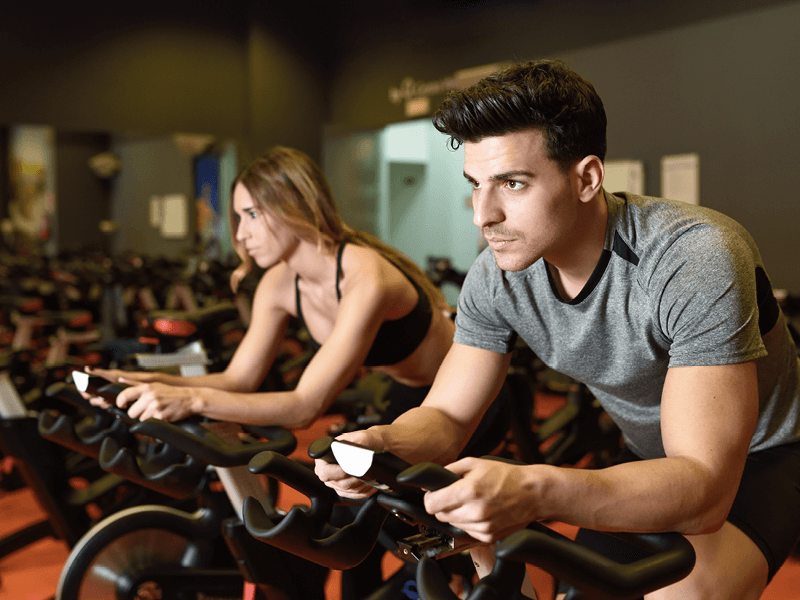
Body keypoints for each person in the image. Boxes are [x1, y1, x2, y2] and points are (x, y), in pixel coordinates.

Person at [316, 60, 800, 600]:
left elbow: (705, 489)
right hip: (657, 456)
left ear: (587, 178)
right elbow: (448, 416)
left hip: (770, 452)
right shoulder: (496, 277)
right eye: (476, 185)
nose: (483, 215)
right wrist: (385, 444)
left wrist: (534, 486)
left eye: (512, 184)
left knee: (678, 594)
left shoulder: (693, 256)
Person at [84, 145, 510, 598]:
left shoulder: (365, 274)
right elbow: (238, 379)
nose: (240, 235)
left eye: (251, 214)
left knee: (407, 517)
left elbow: (305, 406)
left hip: (467, 403)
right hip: (403, 398)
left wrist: (188, 399)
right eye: (238, 217)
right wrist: (146, 383)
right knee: (346, 513)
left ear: (294, 205)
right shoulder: (280, 282)